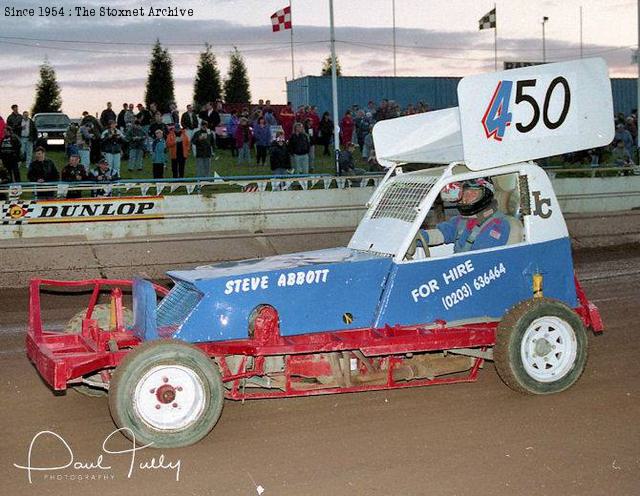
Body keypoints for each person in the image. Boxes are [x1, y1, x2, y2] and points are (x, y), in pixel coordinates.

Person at [420, 178, 511, 253]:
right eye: (464, 193)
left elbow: (481, 259)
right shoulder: (461, 220)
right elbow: (441, 234)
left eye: (473, 193)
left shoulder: (498, 225)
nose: (466, 199)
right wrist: (416, 238)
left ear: (485, 196)